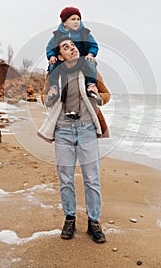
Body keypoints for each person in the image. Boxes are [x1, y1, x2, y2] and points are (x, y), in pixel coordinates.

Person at [38, 37, 110, 243]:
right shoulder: (53, 73)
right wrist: (50, 95)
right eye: (66, 47)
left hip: (87, 130)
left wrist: (98, 95)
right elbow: (45, 98)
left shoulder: (90, 70)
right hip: (63, 131)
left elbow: (106, 94)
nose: (72, 49)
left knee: (92, 179)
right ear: (59, 55)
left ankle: (94, 222)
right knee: (66, 179)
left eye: (73, 46)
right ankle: (69, 219)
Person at [46, 6, 99, 102]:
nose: (76, 21)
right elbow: (50, 48)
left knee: (90, 63)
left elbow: (93, 45)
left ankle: (91, 86)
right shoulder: (57, 35)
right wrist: (52, 56)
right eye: (73, 19)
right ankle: (54, 88)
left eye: (78, 19)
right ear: (64, 22)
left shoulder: (85, 34)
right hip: (63, 63)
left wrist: (91, 54)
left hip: (82, 59)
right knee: (52, 65)